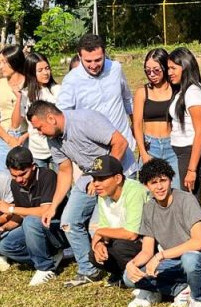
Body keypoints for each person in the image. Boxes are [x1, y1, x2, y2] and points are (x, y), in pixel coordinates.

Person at [27, 99, 136, 287]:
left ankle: (117, 269)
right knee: (68, 221)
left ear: (51, 118)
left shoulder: (85, 120)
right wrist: (52, 207)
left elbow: (120, 143)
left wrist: (104, 177)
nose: (39, 132)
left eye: (40, 127)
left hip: (118, 173)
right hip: (90, 177)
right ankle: (88, 270)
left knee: (99, 226)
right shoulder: (53, 140)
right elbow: (64, 170)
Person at [124, 157, 201, 307]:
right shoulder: (149, 208)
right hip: (172, 262)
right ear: (146, 185)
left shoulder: (186, 200)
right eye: (153, 183)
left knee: (189, 259)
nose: (159, 186)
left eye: (163, 180)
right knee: (128, 276)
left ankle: (198, 300)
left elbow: (199, 242)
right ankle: (179, 289)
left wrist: (161, 255)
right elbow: (147, 251)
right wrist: (132, 264)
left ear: (171, 180)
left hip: (198, 259)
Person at [0, 146, 68, 286]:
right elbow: (21, 215)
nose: (19, 179)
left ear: (33, 166)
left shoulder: (48, 175)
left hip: (59, 228)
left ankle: (45, 268)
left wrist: (10, 208)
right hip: (35, 228)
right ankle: (50, 257)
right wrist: (3, 228)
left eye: (23, 174)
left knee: (31, 221)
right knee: (4, 246)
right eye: (14, 175)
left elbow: (45, 211)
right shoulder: (15, 184)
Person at [56, 33, 135, 150]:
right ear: (79, 56)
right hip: (95, 149)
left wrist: (135, 125)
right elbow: (63, 117)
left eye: (98, 60)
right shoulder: (71, 80)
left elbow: (127, 99)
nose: (93, 65)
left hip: (124, 142)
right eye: (88, 61)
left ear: (104, 54)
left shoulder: (115, 69)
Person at [87, 155, 149, 282]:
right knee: (94, 255)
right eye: (94, 179)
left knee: (121, 246)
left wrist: (99, 232)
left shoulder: (135, 191)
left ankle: (145, 278)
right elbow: (105, 228)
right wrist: (99, 244)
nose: (96, 184)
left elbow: (131, 234)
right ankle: (124, 275)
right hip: (124, 241)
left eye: (101, 178)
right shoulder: (103, 195)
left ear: (118, 178)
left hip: (148, 244)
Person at [167, 47, 201, 203]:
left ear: (185, 66)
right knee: (187, 203)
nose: (169, 72)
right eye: (168, 68)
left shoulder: (193, 93)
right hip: (182, 151)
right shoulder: (183, 91)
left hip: (190, 151)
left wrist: (192, 169)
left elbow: (200, 132)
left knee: (191, 205)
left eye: (173, 68)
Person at [133, 48, 179, 182]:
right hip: (150, 146)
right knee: (148, 191)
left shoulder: (176, 91)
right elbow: (136, 125)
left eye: (156, 70)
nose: (151, 74)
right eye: (147, 70)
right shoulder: (142, 92)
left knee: (176, 188)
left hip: (172, 146)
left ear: (165, 68)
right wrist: (143, 153)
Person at [0, 44, 28, 175]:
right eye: (0, 62)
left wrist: (24, 137)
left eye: (4, 62)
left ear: (15, 61)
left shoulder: (30, 83)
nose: (0, 67)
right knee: (1, 179)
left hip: (26, 137)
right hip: (4, 137)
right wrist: (8, 139)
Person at [14, 51, 58, 169]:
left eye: (47, 68)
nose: (45, 73)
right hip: (36, 151)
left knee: (62, 185)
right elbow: (16, 124)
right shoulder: (25, 94)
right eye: (40, 70)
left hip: (57, 148)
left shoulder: (57, 90)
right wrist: (18, 99)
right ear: (31, 73)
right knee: (41, 185)